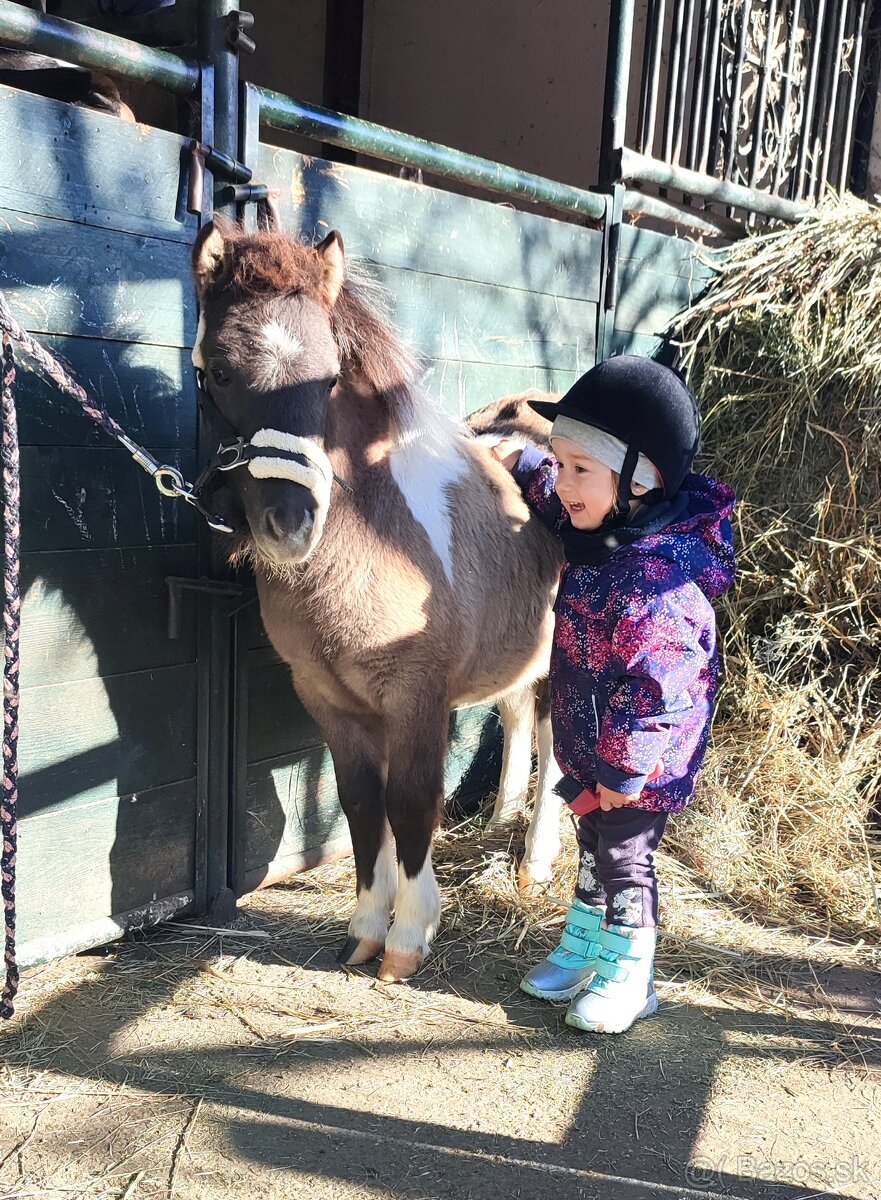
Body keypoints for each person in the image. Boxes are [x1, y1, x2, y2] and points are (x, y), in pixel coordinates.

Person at [491, 355, 736, 1034]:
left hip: (639, 763)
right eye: (559, 463)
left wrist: (625, 768)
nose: (563, 484)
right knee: (592, 840)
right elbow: (556, 491)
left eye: (579, 469)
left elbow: (658, 688)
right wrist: (518, 461)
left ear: (639, 480)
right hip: (588, 743)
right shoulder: (601, 523)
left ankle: (631, 975)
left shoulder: (657, 582)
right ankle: (585, 948)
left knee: (625, 855)